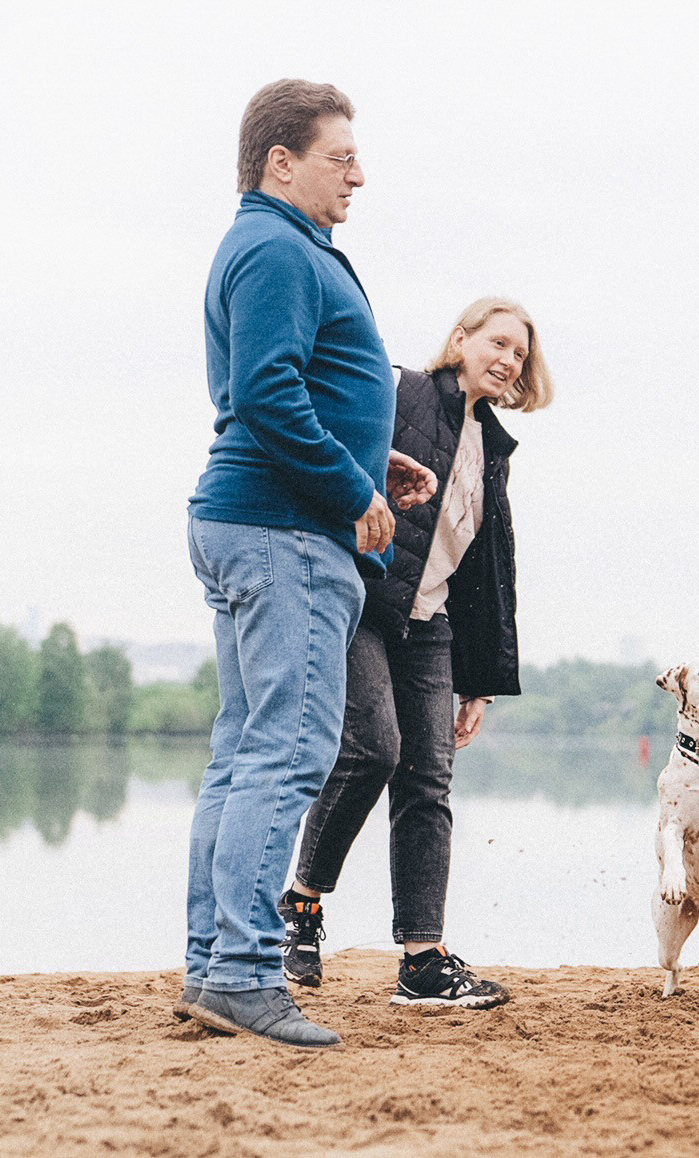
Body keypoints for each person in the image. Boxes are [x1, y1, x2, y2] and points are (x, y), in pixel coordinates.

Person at [181, 79, 436, 1050]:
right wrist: (350, 493)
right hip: (285, 531)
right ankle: (243, 971)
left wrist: (374, 461)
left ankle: (214, 966)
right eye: (341, 157)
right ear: (279, 161)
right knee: (287, 752)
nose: (359, 175)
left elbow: (296, 390)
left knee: (246, 751)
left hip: (266, 519)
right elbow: (267, 393)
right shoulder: (275, 248)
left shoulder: (272, 246)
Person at [280, 297, 552, 1008]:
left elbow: (488, 566)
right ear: (458, 341)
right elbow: (329, 446)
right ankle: (302, 903)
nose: (507, 360)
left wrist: (481, 680)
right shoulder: (401, 392)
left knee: (429, 782)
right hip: (364, 602)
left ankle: (422, 960)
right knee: (374, 749)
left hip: (431, 625)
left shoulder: (491, 446)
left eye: (519, 354)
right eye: (497, 343)